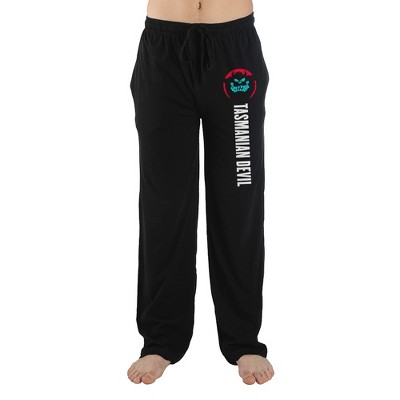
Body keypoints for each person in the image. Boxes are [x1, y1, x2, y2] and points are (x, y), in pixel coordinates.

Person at [127, 0, 274, 385]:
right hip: (163, 48)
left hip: (234, 49)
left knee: (239, 200)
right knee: (163, 204)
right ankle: (161, 339)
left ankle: (243, 338)